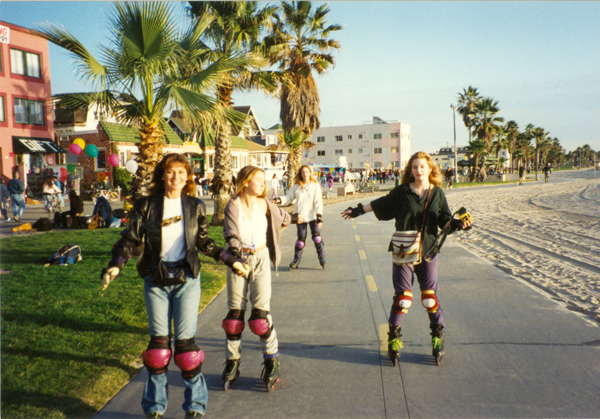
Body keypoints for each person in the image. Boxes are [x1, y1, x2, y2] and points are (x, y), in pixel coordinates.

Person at [100, 154, 241, 419]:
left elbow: (204, 243)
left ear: (188, 176)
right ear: (162, 175)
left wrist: (230, 260)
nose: (175, 177)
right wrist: (116, 263)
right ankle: (154, 408)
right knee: (158, 350)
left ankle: (195, 407)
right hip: (155, 278)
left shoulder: (195, 206)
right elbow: (129, 239)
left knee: (186, 350)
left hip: (187, 279)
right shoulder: (146, 205)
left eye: (181, 172)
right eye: (170, 171)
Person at [341, 151, 472, 365]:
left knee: (429, 298)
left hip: (428, 251)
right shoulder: (402, 192)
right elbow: (381, 203)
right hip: (404, 249)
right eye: (414, 167)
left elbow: (444, 219)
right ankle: (394, 338)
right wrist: (357, 210)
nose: (418, 170)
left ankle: (438, 337)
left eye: (422, 166)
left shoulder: (437, 193)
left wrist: (458, 224)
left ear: (430, 169)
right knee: (403, 298)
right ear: (410, 171)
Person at [220, 166, 301, 391]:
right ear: (245, 182)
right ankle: (232, 362)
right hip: (239, 259)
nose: (263, 183)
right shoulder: (233, 205)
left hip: (262, 257)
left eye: (263, 180)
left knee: (260, 318)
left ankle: (271, 360)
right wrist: (236, 259)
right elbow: (231, 233)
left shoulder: (265, 204)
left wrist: (296, 218)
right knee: (234, 317)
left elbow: (283, 216)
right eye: (258, 180)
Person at [274, 165, 325, 270]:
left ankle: (321, 256)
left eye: (306, 172)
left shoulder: (315, 186)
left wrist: (319, 216)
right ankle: (297, 259)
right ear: (300, 174)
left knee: (316, 237)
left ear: (310, 173)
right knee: (300, 241)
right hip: (300, 217)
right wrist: (279, 200)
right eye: (303, 172)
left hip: (313, 216)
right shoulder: (296, 186)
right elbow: (288, 197)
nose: (305, 174)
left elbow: (318, 202)